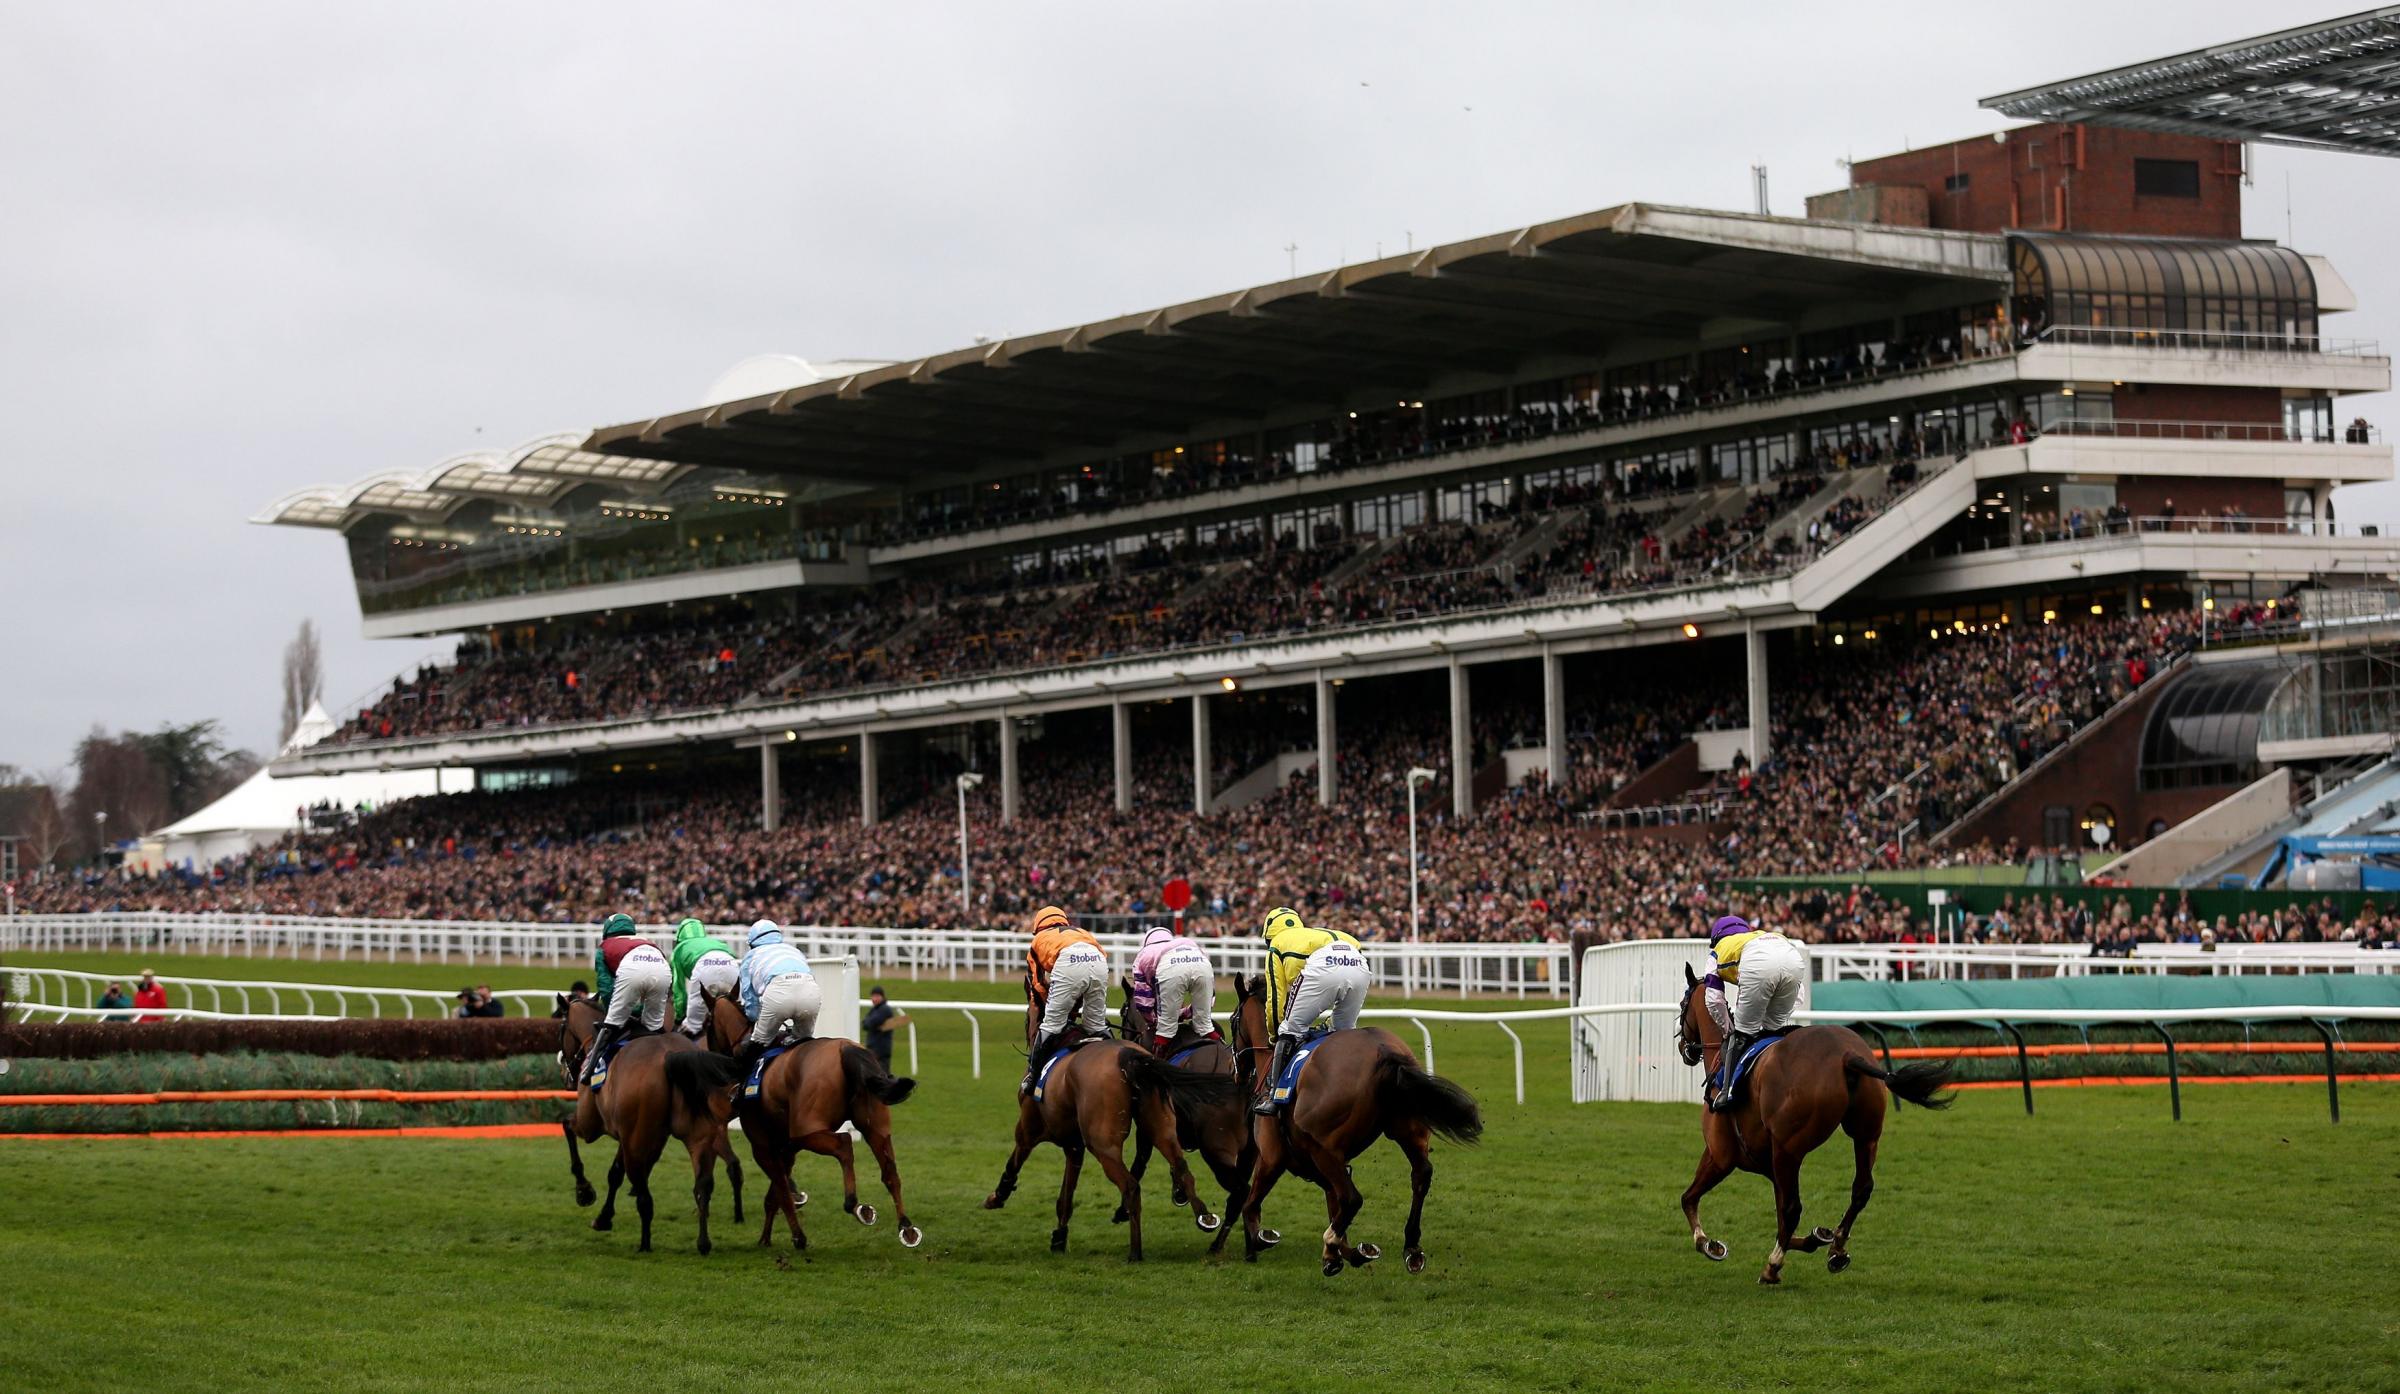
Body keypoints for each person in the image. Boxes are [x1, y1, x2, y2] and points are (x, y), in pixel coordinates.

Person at [1255, 905, 1369, 1115]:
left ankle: (1274, 1097)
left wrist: (1274, 1034)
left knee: (1290, 1029)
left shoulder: (1277, 945)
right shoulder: (1314, 933)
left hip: (1324, 965)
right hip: (1358, 960)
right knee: (1343, 1031)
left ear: (1269, 936)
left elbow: (1275, 998)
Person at [1700, 913, 1809, 1112]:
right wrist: (1772, 1020)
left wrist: (1728, 1029)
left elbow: (1714, 998)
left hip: (1758, 962)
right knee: (1771, 1033)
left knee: (1742, 1033)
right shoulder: (1760, 935)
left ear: (1717, 938)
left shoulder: (1718, 950)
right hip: (1792, 957)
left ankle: (1727, 1093)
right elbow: (1799, 994)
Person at [1023, 904, 1106, 1094]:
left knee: (1051, 1025)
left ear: (1038, 926)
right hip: (1098, 960)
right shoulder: (1081, 932)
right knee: (1096, 1026)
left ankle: (1032, 1076)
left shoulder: (1038, 940)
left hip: (1069, 960)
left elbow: (1037, 988)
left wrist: (1053, 1006)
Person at [583, 913, 669, 1087]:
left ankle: (589, 1069)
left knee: (612, 1023)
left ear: (607, 930)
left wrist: (613, 1014)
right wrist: (638, 1011)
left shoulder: (604, 946)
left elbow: (606, 988)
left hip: (633, 970)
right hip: (662, 968)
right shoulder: (647, 941)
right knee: (654, 1026)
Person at [734, 920, 820, 1071]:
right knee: (804, 1043)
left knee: (758, 1044)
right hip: (811, 992)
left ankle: (742, 1088)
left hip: (778, 995)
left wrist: (754, 1018)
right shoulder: (794, 950)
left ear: (753, 943)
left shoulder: (751, 956)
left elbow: (750, 997)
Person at [1128, 924, 1219, 1057]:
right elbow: (1211, 996)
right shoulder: (1186, 943)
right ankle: (1227, 1052)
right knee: (1205, 1026)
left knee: (1166, 1029)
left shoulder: (1142, 955)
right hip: (1201, 963)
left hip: (1170, 967)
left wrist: (1153, 1021)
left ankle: (1157, 1067)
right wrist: (1185, 1013)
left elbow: (1143, 1001)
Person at [668, 917, 740, 1039]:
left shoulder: (679, 949)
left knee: (693, 1025)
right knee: (736, 1010)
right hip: (731, 964)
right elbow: (733, 955)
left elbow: (678, 989)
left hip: (704, 967)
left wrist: (679, 1017)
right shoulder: (716, 941)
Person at [862, 985, 909, 1070]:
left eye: (877, 996)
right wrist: (869, 1024)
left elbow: (871, 1022)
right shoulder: (874, 1010)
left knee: (882, 1076)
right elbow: (864, 1024)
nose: (874, 999)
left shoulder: (885, 1009)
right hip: (873, 1048)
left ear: (882, 997)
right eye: (873, 996)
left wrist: (869, 1024)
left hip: (880, 1050)